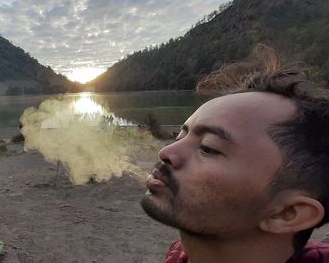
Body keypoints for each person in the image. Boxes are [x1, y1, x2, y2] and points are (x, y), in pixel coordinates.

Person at [140, 44, 329, 263]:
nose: (166, 152)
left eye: (208, 148)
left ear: (287, 213)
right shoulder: (177, 256)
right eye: (181, 136)